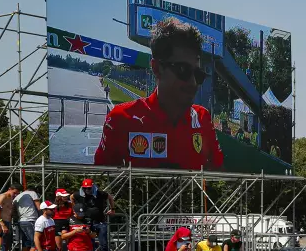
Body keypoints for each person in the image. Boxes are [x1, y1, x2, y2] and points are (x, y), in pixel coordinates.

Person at [95, 18, 223, 170]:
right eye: (183, 70)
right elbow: (100, 183)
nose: (193, 82)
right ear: (156, 68)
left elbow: (219, 178)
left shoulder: (203, 118)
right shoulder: (120, 119)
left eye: (198, 74)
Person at [14, 186, 40, 251]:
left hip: (21, 221)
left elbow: (13, 210)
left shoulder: (17, 196)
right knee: (35, 244)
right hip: (31, 220)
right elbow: (39, 207)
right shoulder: (32, 193)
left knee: (25, 245)